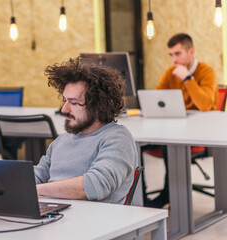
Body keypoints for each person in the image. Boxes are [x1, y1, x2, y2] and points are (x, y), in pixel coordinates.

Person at [34, 57, 138, 204]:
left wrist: (35, 190)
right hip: (56, 215)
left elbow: (94, 186)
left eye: (74, 103)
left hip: (95, 222)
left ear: (98, 105)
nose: (64, 109)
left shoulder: (118, 138)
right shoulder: (61, 141)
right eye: (65, 101)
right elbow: (36, 176)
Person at [144, 33, 218, 208]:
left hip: (201, 131)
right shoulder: (170, 73)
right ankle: (141, 196)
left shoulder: (206, 72)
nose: (174, 60)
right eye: (171, 55)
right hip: (174, 127)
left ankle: (167, 194)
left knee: (169, 145)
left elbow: (206, 105)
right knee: (137, 144)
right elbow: (157, 99)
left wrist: (187, 79)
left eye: (178, 54)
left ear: (190, 52)